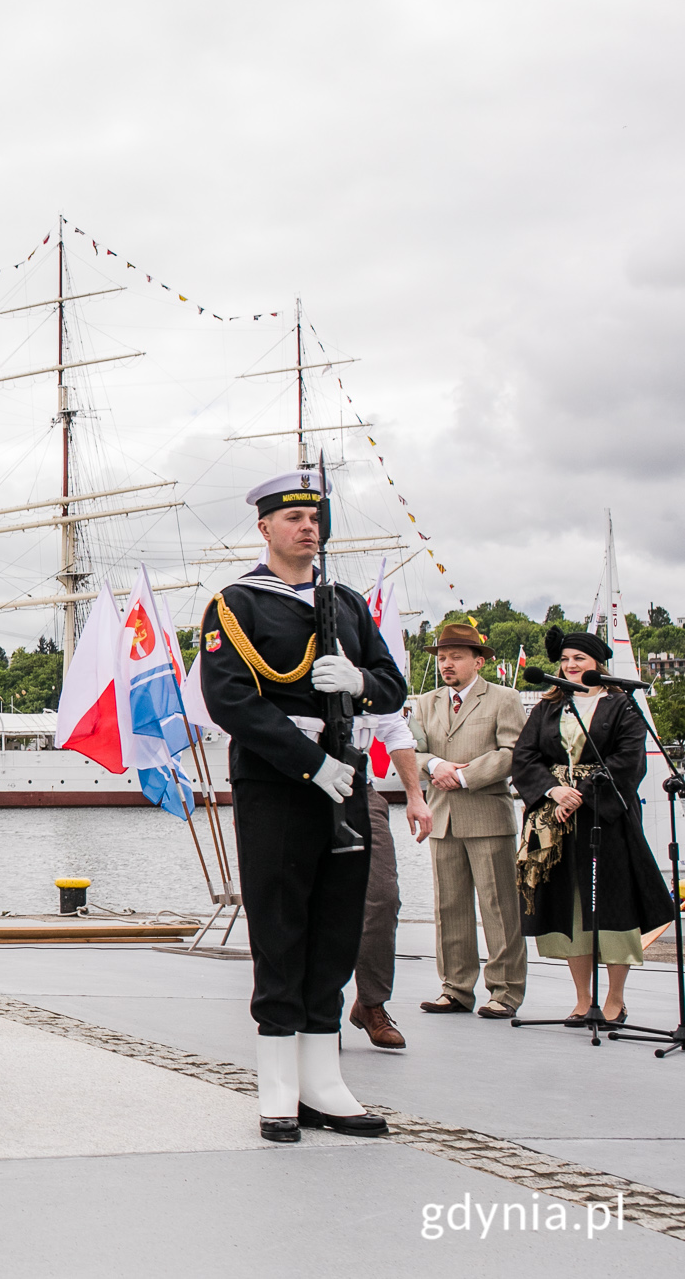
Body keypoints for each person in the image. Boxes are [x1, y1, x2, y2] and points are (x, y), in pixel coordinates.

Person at [199, 468, 408, 1144]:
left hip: (345, 780)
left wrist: (359, 682)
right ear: (265, 526)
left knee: (337, 924)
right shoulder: (237, 604)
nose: (307, 527)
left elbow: (392, 683)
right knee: (282, 923)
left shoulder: (344, 603)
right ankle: (279, 1086)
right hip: (279, 783)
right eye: (293, 517)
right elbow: (230, 698)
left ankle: (325, 1082)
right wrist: (307, 759)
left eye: (314, 516)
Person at [512, 626, 674, 1025]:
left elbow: (628, 761)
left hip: (607, 820)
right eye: (565, 659)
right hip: (555, 822)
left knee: (613, 907)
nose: (569, 666)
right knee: (572, 910)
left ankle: (614, 1000)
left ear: (598, 663)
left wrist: (581, 793)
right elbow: (525, 757)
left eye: (578, 659)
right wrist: (553, 792)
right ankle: (583, 1000)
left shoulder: (623, 707)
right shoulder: (548, 707)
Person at [411, 623, 529, 1019]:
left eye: (456, 657)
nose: (447, 664)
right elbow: (411, 751)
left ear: (478, 661)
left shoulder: (504, 698)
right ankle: (456, 989)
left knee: (499, 907)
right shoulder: (425, 703)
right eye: (442, 657)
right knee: (449, 907)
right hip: (441, 817)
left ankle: (505, 992)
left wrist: (463, 775)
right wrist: (438, 765)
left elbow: (513, 752)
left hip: (488, 816)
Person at [348, 713, 432, 1049]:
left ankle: (371, 1004)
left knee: (383, 896)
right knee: (312, 902)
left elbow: (395, 729)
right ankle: (319, 1011)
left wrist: (415, 795)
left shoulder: (368, 662)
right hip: (300, 787)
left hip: (359, 790)